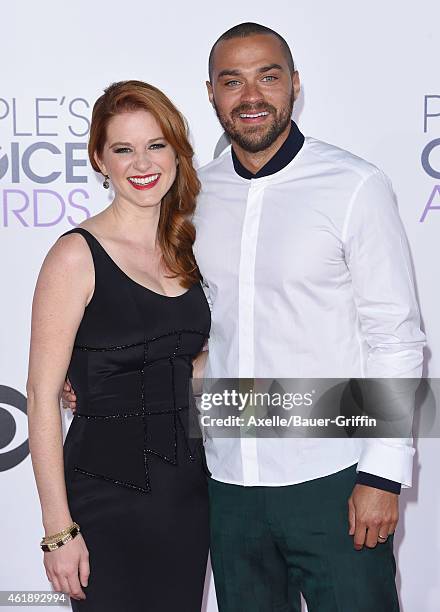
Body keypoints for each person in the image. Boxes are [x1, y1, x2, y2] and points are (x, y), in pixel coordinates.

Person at [63, 23, 425, 612]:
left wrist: (383, 473)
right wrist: (107, 383)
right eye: (232, 81)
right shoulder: (194, 195)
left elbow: (397, 338)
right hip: (227, 483)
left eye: (267, 77)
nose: (250, 95)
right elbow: (189, 325)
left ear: (295, 86)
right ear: (211, 93)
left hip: (333, 473)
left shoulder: (356, 186)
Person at [27, 80, 211, 612]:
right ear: (100, 160)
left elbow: (186, 366)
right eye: (123, 149)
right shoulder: (74, 255)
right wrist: (58, 531)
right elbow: (41, 396)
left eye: (155, 145)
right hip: (104, 497)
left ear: (176, 150)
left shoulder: (187, 250)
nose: (142, 163)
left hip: (186, 494)